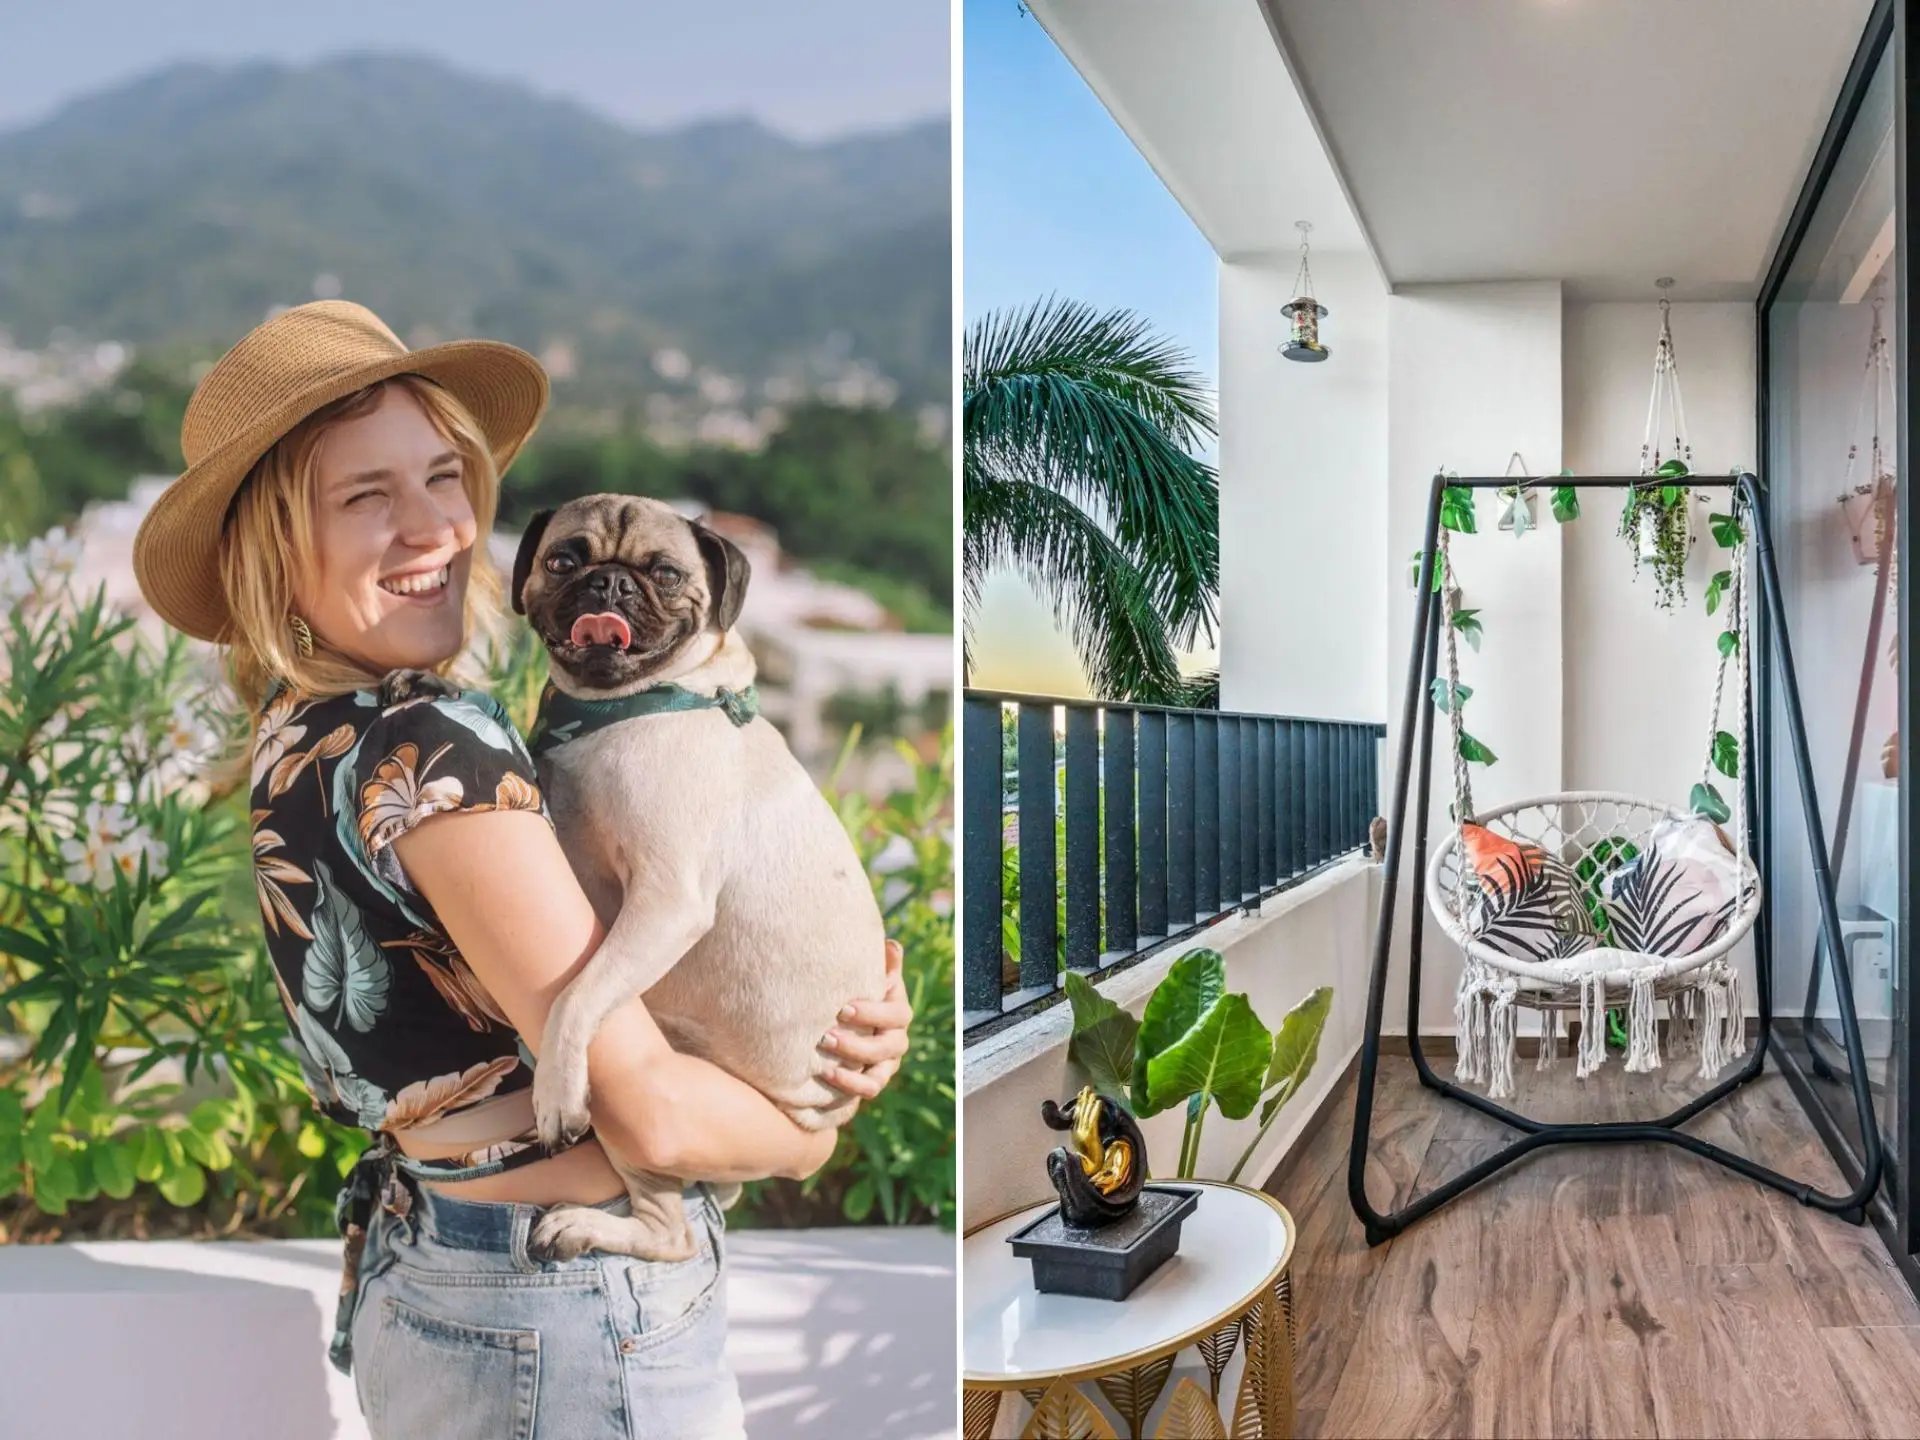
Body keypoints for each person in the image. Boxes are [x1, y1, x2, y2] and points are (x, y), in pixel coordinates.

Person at [131, 300, 913, 1439]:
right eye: (366, 497)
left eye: (444, 478)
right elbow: (653, 1122)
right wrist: (819, 1116)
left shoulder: (302, 731)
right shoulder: (438, 747)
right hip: (560, 1312)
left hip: (437, 1267)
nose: (433, 529)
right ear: (275, 545)